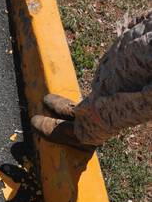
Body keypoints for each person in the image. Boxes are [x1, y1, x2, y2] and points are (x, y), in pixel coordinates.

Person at [31, 8, 152, 150]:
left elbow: (142, 102)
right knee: (103, 91)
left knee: (106, 116)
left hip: (133, 95)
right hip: (128, 63)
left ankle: (81, 138)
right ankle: (82, 113)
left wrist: (106, 110)